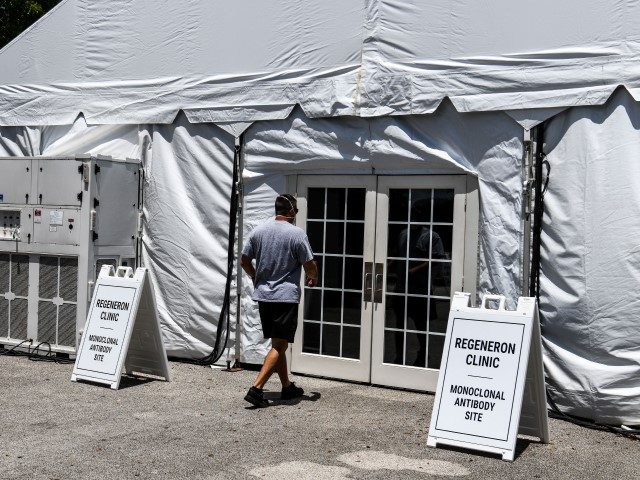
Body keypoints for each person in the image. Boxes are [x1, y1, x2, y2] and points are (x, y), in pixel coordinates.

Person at [241, 193, 318, 407]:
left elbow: (244, 260)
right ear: (291, 211)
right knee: (280, 345)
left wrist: (255, 276)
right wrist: (313, 277)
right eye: (297, 211)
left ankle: (286, 387)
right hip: (285, 296)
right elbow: (309, 264)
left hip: (264, 296)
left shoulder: (259, 231)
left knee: (277, 343)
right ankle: (256, 389)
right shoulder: (296, 234)